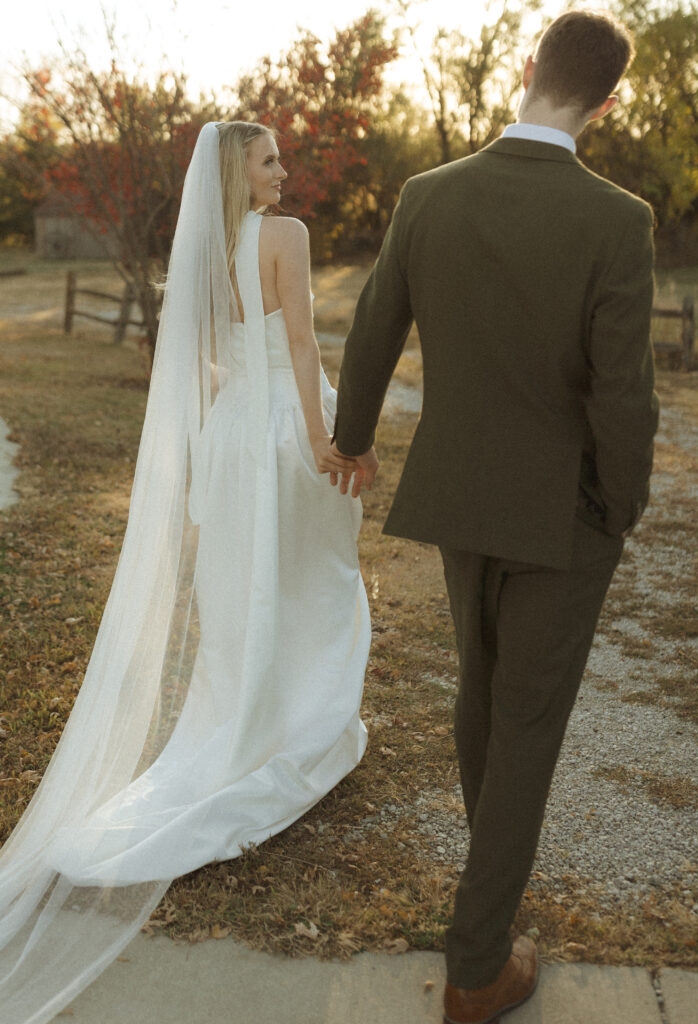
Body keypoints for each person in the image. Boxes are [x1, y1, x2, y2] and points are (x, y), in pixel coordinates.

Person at [0, 121, 373, 1022]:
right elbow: (300, 350)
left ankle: (252, 713)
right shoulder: (285, 238)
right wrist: (326, 439)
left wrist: (221, 439)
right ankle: (301, 724)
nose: (285, 172)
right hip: (283, 427)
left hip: (234, 435)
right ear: (238, 174)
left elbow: (203, 366)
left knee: (248, 590)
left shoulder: (204, 254)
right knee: (316, 582)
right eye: (270, 159)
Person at [332, 11, 658, 1023]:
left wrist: (349, 436)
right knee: (519, 724)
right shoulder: (617, 220)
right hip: (563, 516)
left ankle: (491, 881)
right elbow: (621, 394)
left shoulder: (427, 195)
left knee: (485, 700)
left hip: (462, 500)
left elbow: (372, 327)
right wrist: (622, 505)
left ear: (526, 70)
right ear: (604, 103)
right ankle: (477, 966)